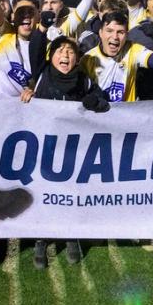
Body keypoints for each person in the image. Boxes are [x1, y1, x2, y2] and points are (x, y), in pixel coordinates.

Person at [21, 36, 109, 268]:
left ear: (77, 59)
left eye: (70, 52)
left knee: (70, 192)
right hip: (43, 147)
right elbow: (35, 44)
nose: (65, 56)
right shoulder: (41, 75)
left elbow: (103, 99)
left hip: (71, 150)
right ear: (51, 56)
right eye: (60, 51)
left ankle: (71, 236)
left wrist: (94, 101)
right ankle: (41, 240)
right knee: (43, 193)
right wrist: (28, 96)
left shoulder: (83, 80)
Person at [81, 9, 153, 104]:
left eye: (120, 32)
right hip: (98, 115)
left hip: (126, 115)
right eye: (109, 31)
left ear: (127, 35)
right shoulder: (88, 59)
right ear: (100, 33)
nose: (115, 37)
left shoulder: (133, 50)